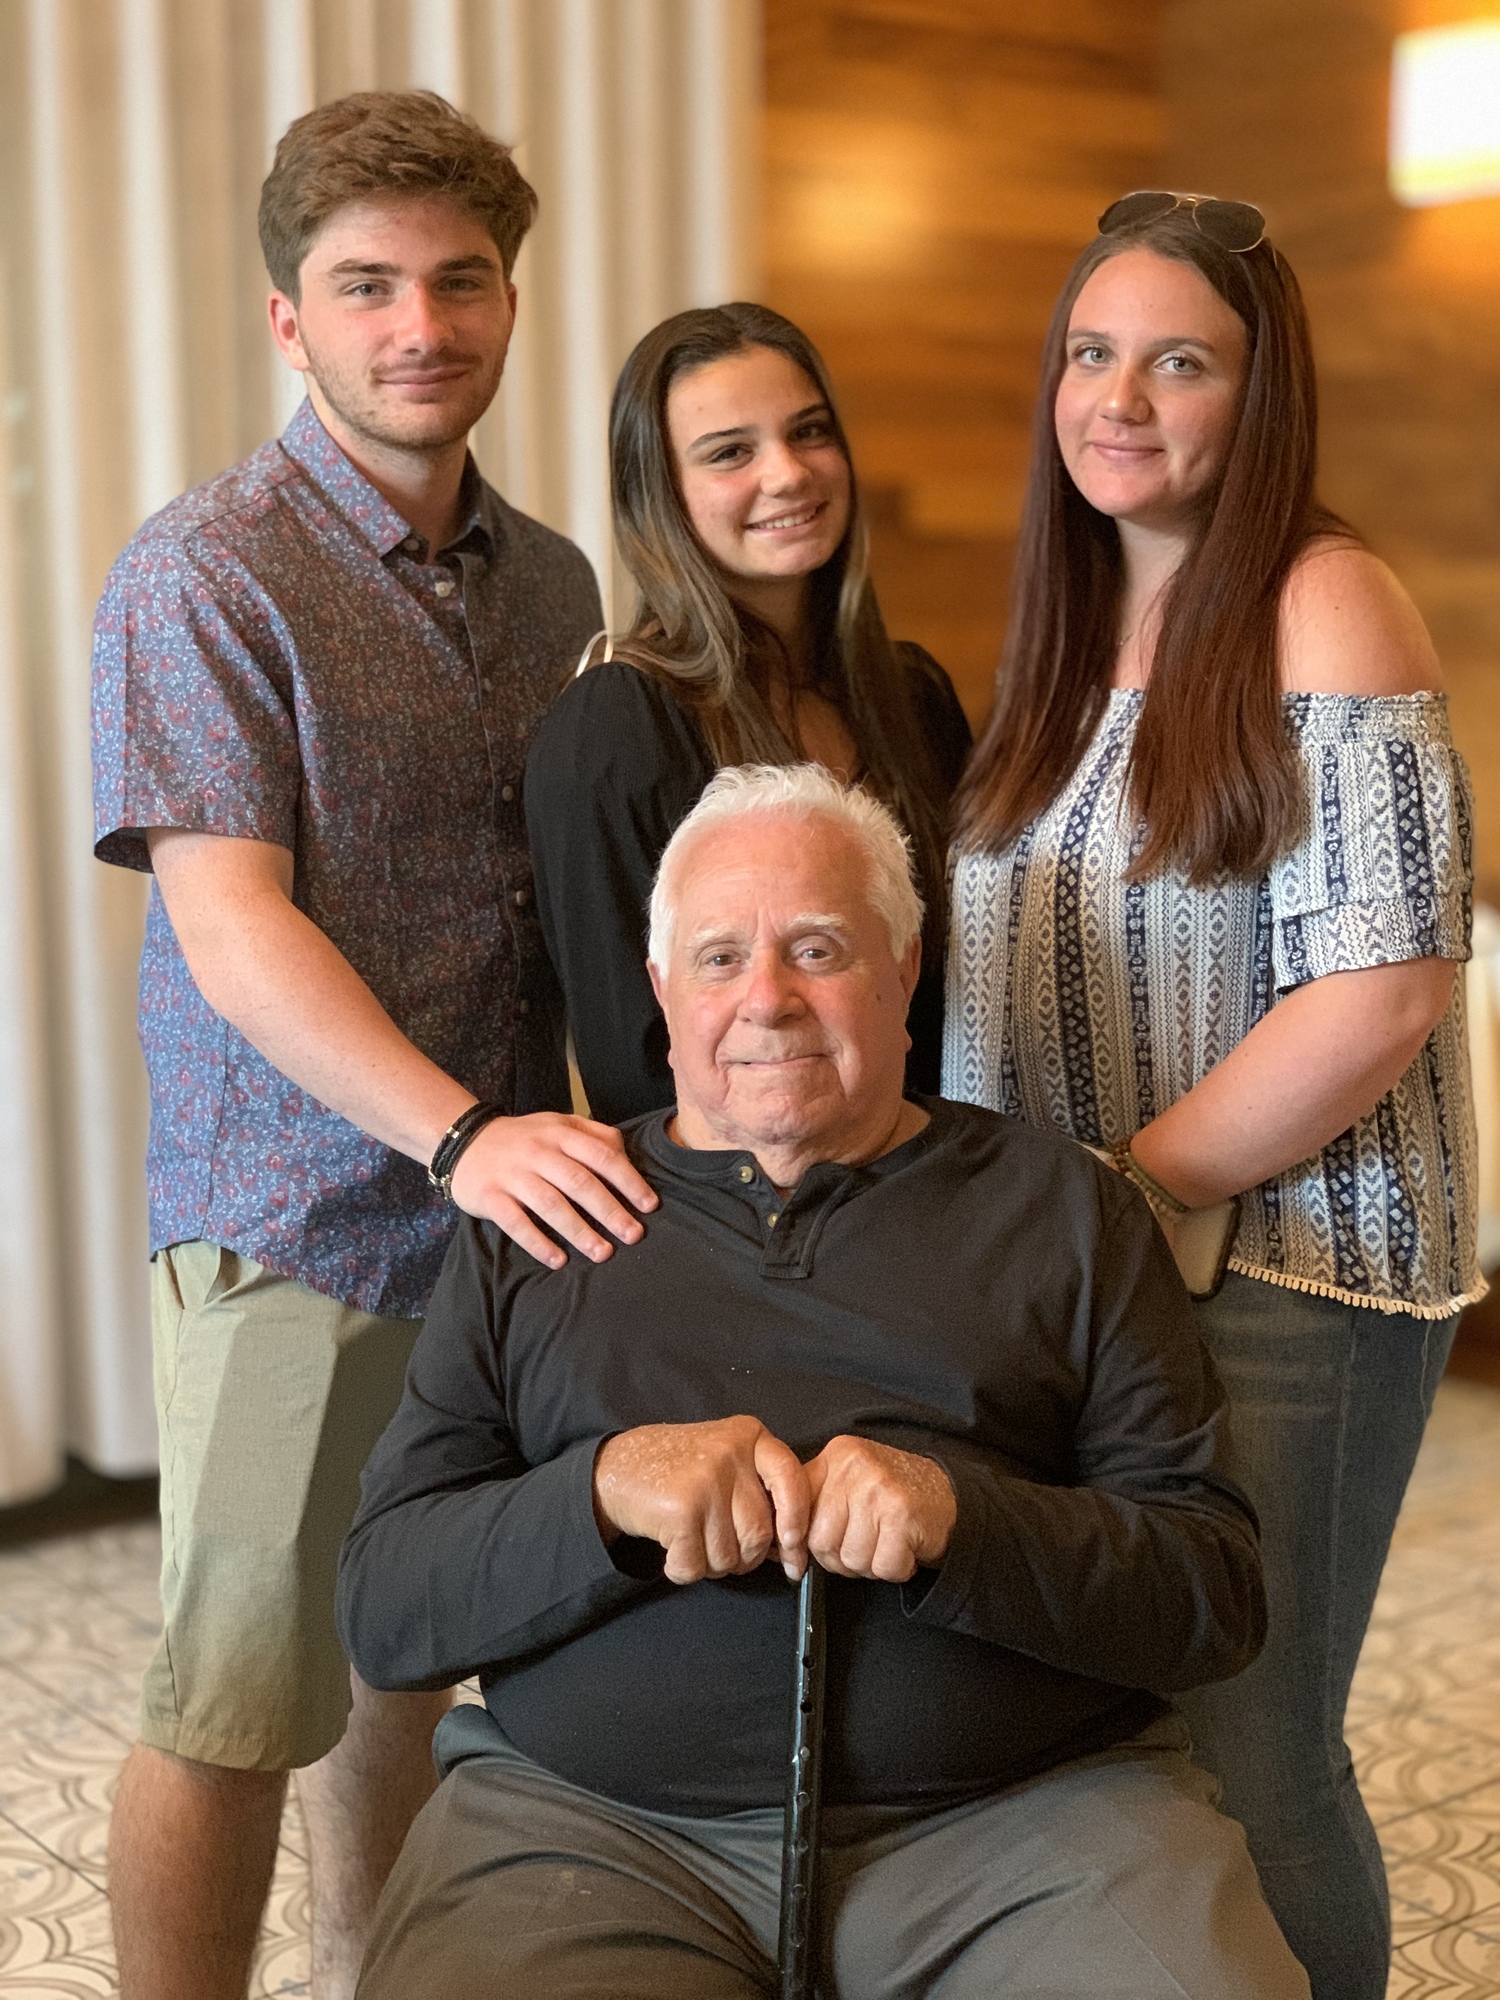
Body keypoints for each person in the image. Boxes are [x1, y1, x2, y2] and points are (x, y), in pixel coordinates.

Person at [337, 763, 1310, 2000]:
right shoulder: (533, 1223)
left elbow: (1212, 1592)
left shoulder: (1066, 1207)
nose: (767, 999)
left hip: (1029, 1821)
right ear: (661, 992)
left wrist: (969, 1521)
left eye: (817, 947)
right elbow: (385, 1603)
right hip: (588, 1829)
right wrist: (598, 1495)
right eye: (719, 957)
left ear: (906, 969)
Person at [90, 91, 658, 2000]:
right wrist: (463, 1137)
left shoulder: (560, 582)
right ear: (291, 320)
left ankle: (368, 1973)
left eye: (460, 280)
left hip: (500, 1218)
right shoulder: (207, 571)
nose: (422, 322)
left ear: (508, 299)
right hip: (298, 1218)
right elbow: (231, 925)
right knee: (234, 1691)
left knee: (409, 1646)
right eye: (368, 286)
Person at [943, 190, 1481, 2000]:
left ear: (1263, 401)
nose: (1121, 397)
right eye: (1092, 354)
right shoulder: (1072, 622)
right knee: (1137, 1748)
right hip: (1105, 1268)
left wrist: (1121, 1184)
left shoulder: (1326, 603)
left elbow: (1389, 988)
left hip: (1293, 1271)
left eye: (1182, 361)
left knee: (1259, 1754)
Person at [523, 302, 971, 1123]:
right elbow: (636, 1074)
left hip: (939, 1191)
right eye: (731, 452)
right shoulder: (612, 727)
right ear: (662, 496)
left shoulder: (916, 697)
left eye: (808, 433)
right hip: (746, 1224)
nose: (788, 474)